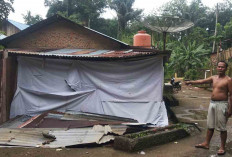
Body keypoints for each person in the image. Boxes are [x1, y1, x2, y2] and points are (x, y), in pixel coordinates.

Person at [185, 61, 232, 155]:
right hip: (212, 103)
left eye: (222, 67)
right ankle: (206, 143)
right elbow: (202, 81)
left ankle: (222, 147)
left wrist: (230, 109)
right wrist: (191, 82)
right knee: (210, 125)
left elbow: (231, 95)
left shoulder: (228, 80)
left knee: (222, 127)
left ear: (226, 68)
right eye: (219, 67)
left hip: (222, 104)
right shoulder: (213, 78)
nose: (220, 68)